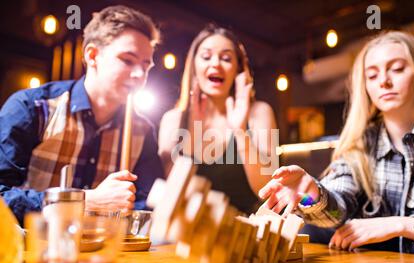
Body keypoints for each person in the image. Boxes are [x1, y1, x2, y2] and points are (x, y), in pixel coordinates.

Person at [258, 31, 414, 257]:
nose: (384, 82)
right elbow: (336, 209)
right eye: (372, 75)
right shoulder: (363, 141)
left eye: (397, 69)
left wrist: (403, 225)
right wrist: (311, 193)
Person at [0, 5, 164, 224]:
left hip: (102, 255)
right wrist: (82, 201)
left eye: (146, 66)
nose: (139, 75)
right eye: (127, 60)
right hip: (29, 252)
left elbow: (147, 206)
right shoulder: (32, 107)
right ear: (92, 55)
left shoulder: (143, 131)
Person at [158, 25, 278, 214]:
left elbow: (268, 190)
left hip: (244, 231)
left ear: (238, 69)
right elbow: (171, 196)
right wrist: (193, 138)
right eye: (206, 57)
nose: (215, 64)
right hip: (187, 230)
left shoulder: (259, 113)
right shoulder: (173, 120)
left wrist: (240, 132)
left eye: (226, 58)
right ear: (194, 67)